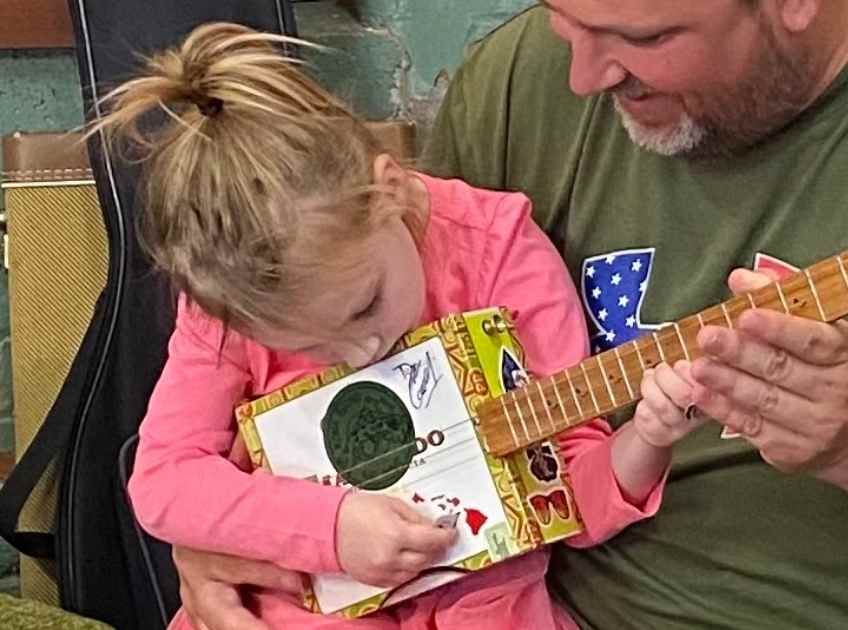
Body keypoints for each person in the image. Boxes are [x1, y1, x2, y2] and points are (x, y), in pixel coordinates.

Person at [174, 1, 848, 629]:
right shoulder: (525, 80)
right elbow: (352, 381)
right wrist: (239, 526)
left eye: (643, 36)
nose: (583, 75)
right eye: (562, 20)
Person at [102, 22, 708, 630]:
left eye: (365, 305)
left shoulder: (497, 251)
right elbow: (164, 481)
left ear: (388, 189)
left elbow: (566, 483)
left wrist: (646, 442)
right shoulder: (226, 304)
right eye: (309, 345)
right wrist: (331, 527)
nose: (360, 350)